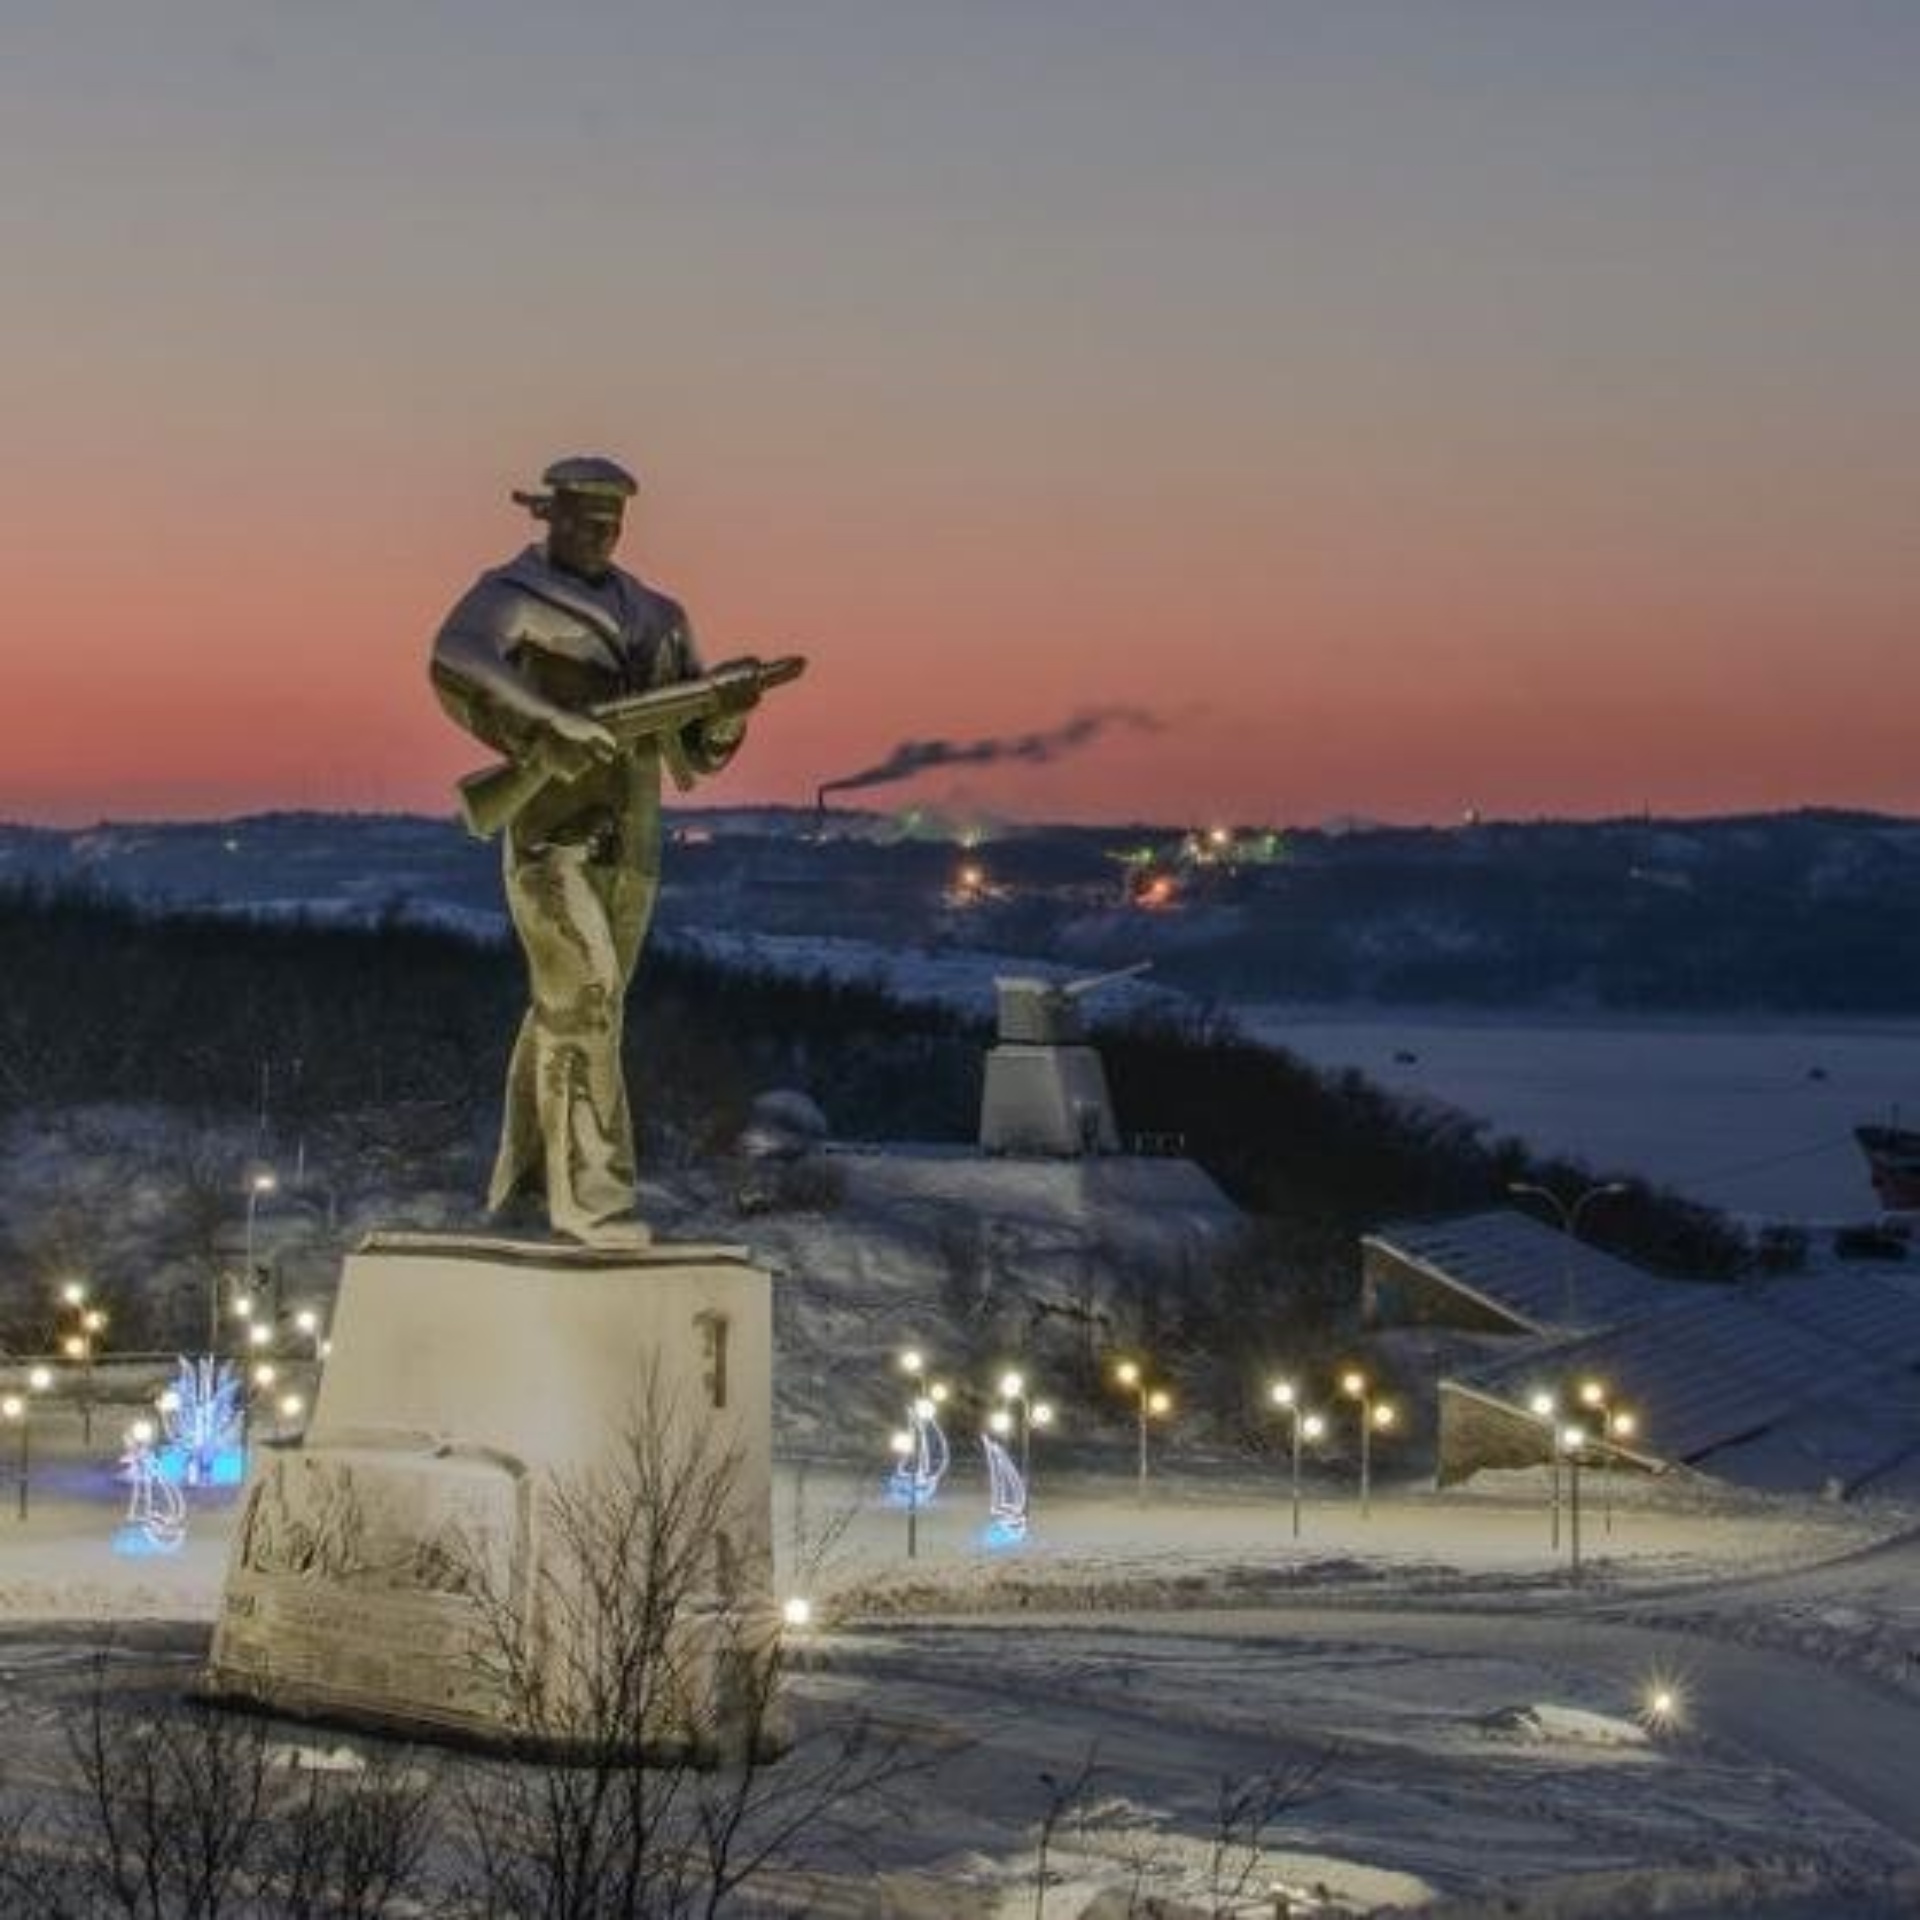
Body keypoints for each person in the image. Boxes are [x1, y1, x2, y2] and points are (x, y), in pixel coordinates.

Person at [429, 455, 752, 1245]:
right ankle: (594, 1203)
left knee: (571, 1015)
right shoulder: (512, 596)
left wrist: (730, 710)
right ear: (551, 515)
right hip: (551, 843)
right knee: (587, 1005)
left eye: (613, 523)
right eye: (585, 519)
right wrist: (548, 725)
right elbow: (455, 658)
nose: (601, 535)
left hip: (632, 849)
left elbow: (696, 750)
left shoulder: (658, 613)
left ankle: (531, 1184)